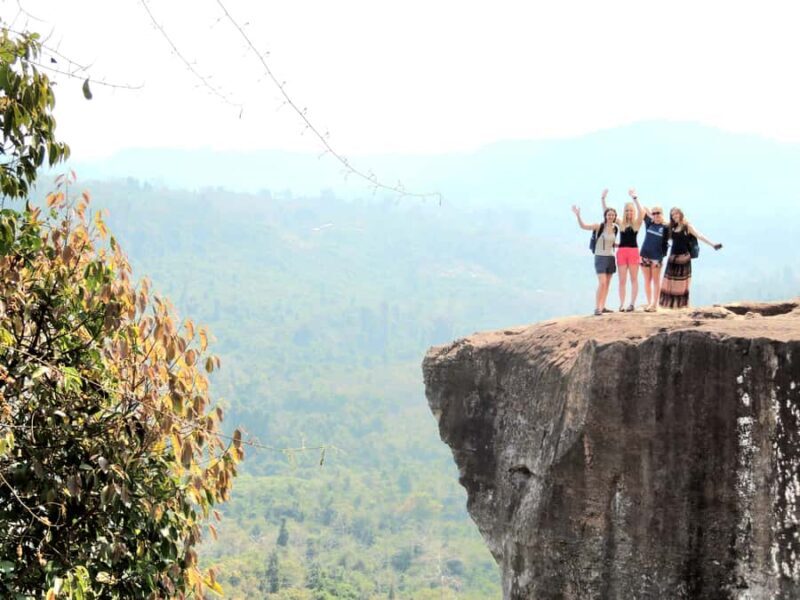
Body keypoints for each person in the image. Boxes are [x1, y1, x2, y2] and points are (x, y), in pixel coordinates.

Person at [659, 207, 722, 309]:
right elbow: (659, 220)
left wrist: (713, 244)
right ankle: (672, 305)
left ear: (681, 214)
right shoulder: (672, 227)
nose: (675, 216)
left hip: (683, 258)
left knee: (684, 283)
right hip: (673, 258)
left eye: (676, 213)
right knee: (670, 282)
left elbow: (699, 235)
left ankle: (685, 305)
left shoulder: (687, 226)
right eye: (672, 214)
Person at [571, 201, 618, 316]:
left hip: (611, 257)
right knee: (602, 283)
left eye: (612, 215)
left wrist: (617, 245)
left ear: (615, 216)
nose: (611, 216)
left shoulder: (615, 228)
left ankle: (603, 307)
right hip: (600, 257)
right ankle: (597, 308)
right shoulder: (599, 226)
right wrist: (578, 215)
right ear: (605, 216)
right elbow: (584, 226)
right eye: (609, 214)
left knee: (607, 284)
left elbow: (610, 241)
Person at [603, 189, 643, 311]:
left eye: (631, 210)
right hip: (622, 252)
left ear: (633, 212)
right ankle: (621, 304)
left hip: (633, 252)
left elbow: (641, 212)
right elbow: (608, 214)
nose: (629, 212)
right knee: (622, 280)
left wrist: (635, 198)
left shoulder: (637, 223)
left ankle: (632, 304)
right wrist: (603, 199)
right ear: (624, 212)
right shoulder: (621, 223)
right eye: (627, 210)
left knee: (634, 279)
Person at [630, 189, 669, 312]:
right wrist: (635, 198)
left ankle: (655, 304)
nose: (656, 215)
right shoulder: (649, 223)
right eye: (654, 213)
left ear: (662, 214)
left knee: (656, 281)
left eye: (659, 213)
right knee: (647, 280)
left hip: (657, 257)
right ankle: (649, 303)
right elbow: (642, 210)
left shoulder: (666, 227)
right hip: (645, 255)